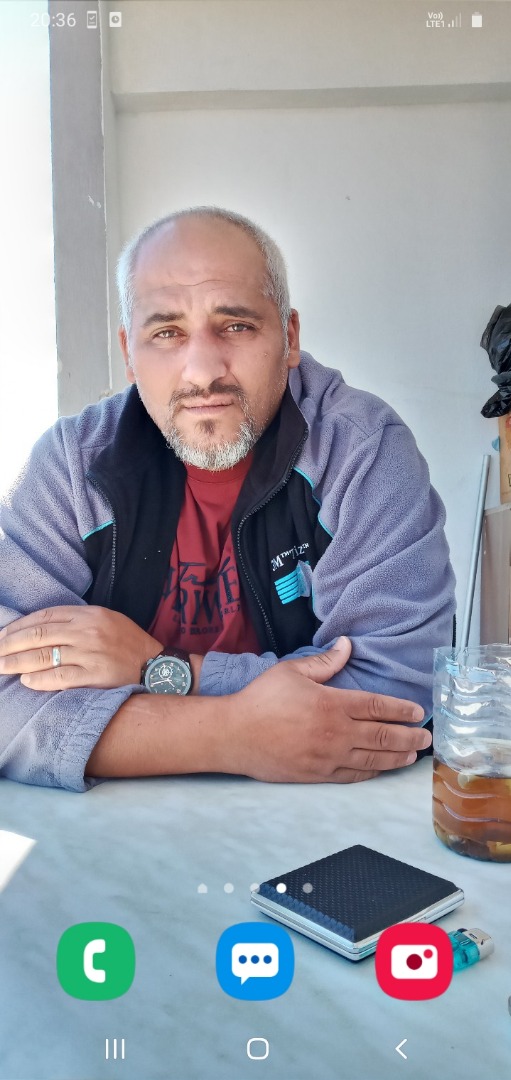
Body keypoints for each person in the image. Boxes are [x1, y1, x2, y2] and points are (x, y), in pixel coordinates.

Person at [0, 207, 455, 792]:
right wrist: (233, 734)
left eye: (236, 326)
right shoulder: (72, 467)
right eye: (167, 333)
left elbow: (396, 692)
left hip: (323, 819)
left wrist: (162, 670)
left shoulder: (360, 450)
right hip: (108, 825)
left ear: (289, 337)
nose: (202, 371)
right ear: (129, 352)